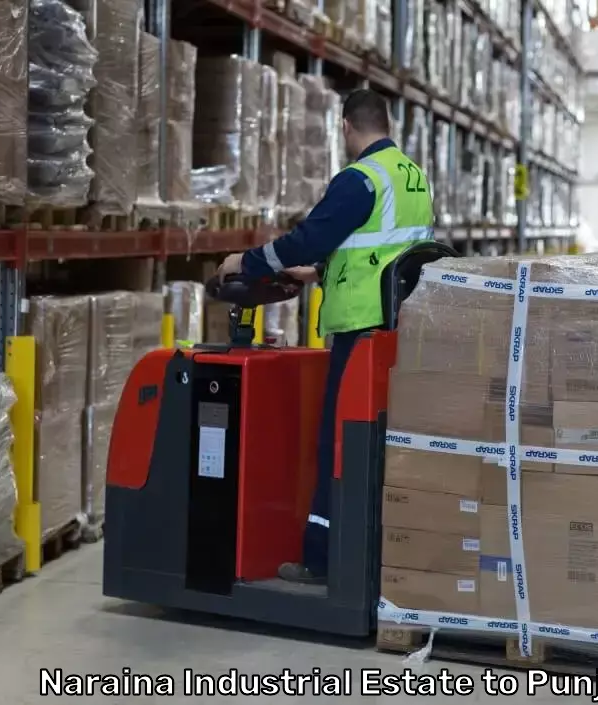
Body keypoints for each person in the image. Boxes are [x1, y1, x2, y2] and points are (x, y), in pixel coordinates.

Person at [217, 89, 435, 585]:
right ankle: (374, 551)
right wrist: (317, 271)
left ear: (345, 127)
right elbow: (384, 248)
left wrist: (245, 262)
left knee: (335, 442)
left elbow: (309, 236)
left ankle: (321, 559)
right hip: (398, 327)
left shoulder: (361, 178)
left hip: (359, 328)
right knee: (377, 443)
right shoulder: (413, 177)